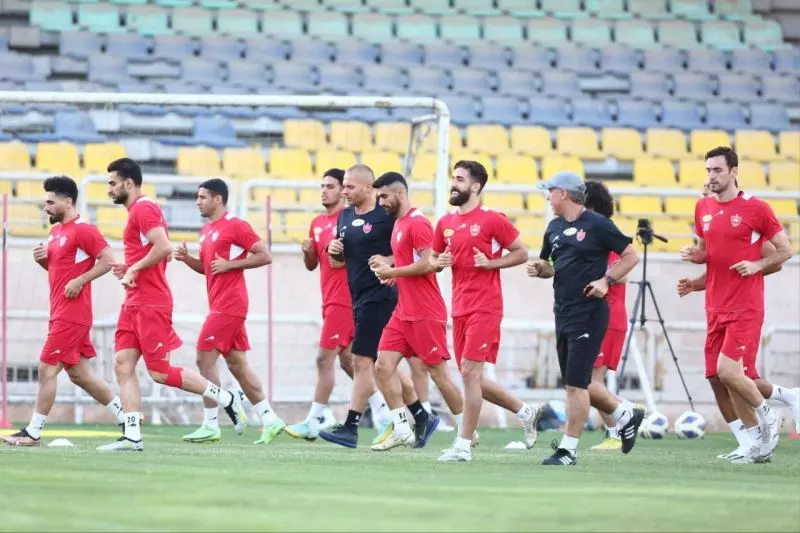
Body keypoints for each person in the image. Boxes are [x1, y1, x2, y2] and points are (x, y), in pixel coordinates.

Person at [96, 158, 246, 452]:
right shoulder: (137, 212)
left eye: (112, 183)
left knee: (160, 372)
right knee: (122, 364)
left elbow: (164, 246)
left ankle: (226, 398)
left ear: (129, 183)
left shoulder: (144, 209)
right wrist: (131, 265)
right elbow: (154, 252)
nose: (109, 189)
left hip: (151, 302)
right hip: (134, 301)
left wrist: (133, 269)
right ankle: (132, 436)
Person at [679, 169, 798, 461]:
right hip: (715, 307)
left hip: (743, 308)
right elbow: (714, 261)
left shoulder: (749, 213)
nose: (707, 190)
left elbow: (776, 259)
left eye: (711, 183)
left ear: (731, 177)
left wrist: (755, 267)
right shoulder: (704, 211)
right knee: (718, 377)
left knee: (733, 374)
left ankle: (774, 411)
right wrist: (695, 279)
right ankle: (751, 441)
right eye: (704, 185)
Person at [528, 171, 643, 466]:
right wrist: (540, 270)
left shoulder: (598, 224)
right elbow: (551, 266)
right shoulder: (554, 227)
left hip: (589, 312)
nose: (547, 197)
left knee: (577, 385)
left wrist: (606, 280)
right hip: (562, 311)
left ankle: (568, 450)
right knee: (573, 382)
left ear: (564, 194)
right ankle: (625, 414)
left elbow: (631, 256)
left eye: (550, 191)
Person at [431, 160, 542, 463]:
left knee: (469, 373)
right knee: (473, 378)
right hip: (459, 308)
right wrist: (438, 263)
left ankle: (463, 445)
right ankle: (525, 411)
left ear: (475, 186)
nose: (453, 183)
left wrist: (491, 263)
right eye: (453, 178)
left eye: (460, 179)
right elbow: (433, 258)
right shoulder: (445, 223)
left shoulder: (492, 219)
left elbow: (521, 252)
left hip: (486, 306)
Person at [1, 176, 124, 446]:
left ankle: (33, 432)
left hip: (72, 315)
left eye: (50, 202)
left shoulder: (83, 230)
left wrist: (81, 280)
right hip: (60, 312)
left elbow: (109, 261)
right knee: (81, 375)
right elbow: (60, 273)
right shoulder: (55, 233)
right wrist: (43, 262)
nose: (45, 207)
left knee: (46, 369)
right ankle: (128, 420)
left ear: (67, 202)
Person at [173, 179, 286, 445]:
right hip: (220, 304)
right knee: (237, 365)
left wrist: (232, 265)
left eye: (202, 197)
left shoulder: (235, 225)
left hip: (230, 304)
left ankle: (211, 424)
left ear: (218, 199)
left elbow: (265, 255)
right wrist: (187, 259)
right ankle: (270, 419)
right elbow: (209, 268)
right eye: (197, 197)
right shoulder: (206, 230)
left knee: (204, 358)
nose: (197, 202)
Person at [318, 164, 424, 449]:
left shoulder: (385, 215)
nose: (344, 192)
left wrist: (389, 262)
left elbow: (410, 252)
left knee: (361, 361)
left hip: (382, 296)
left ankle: (351, 426)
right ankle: (421, 415)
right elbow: (338, 263)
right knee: (381, 363)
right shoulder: (345, 216)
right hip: (358, 297)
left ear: (368, 187)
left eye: (349, 186)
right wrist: (333, 251)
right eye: (344, 186)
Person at [368, 172, 464, 451]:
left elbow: (428, 263)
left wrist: (392, 271)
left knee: (439, 375)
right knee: (382, 366)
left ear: (400, 193)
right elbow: (410, 266)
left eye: (384, 196)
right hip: (403, 312)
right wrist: (394, 277)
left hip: (425, 311)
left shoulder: (418, 223)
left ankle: (466, 430)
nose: (381, 202)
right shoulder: (399, 223)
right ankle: (401, 429)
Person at [285, 168, 366, 441]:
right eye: (322, 186)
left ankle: (314, 420)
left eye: (330, 186)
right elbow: (313, 266)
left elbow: (349, 261)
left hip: (345, 300)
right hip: (329, 299)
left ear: (343, 190)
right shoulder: (317, 223)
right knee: (351, 362)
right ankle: (387, 414)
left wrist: (340, 255)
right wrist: (308, 252)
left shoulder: (350, 220)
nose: (324, 191)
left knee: (324, 358)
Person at [580, 180, 634, 452]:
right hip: (594, 316)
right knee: (588, 380)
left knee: (589, 381)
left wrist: (597, 276)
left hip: (609, 317)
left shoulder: (607, 234)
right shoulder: (592, 234)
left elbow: (623, 274)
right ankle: (616, 430)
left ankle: (626, 416)